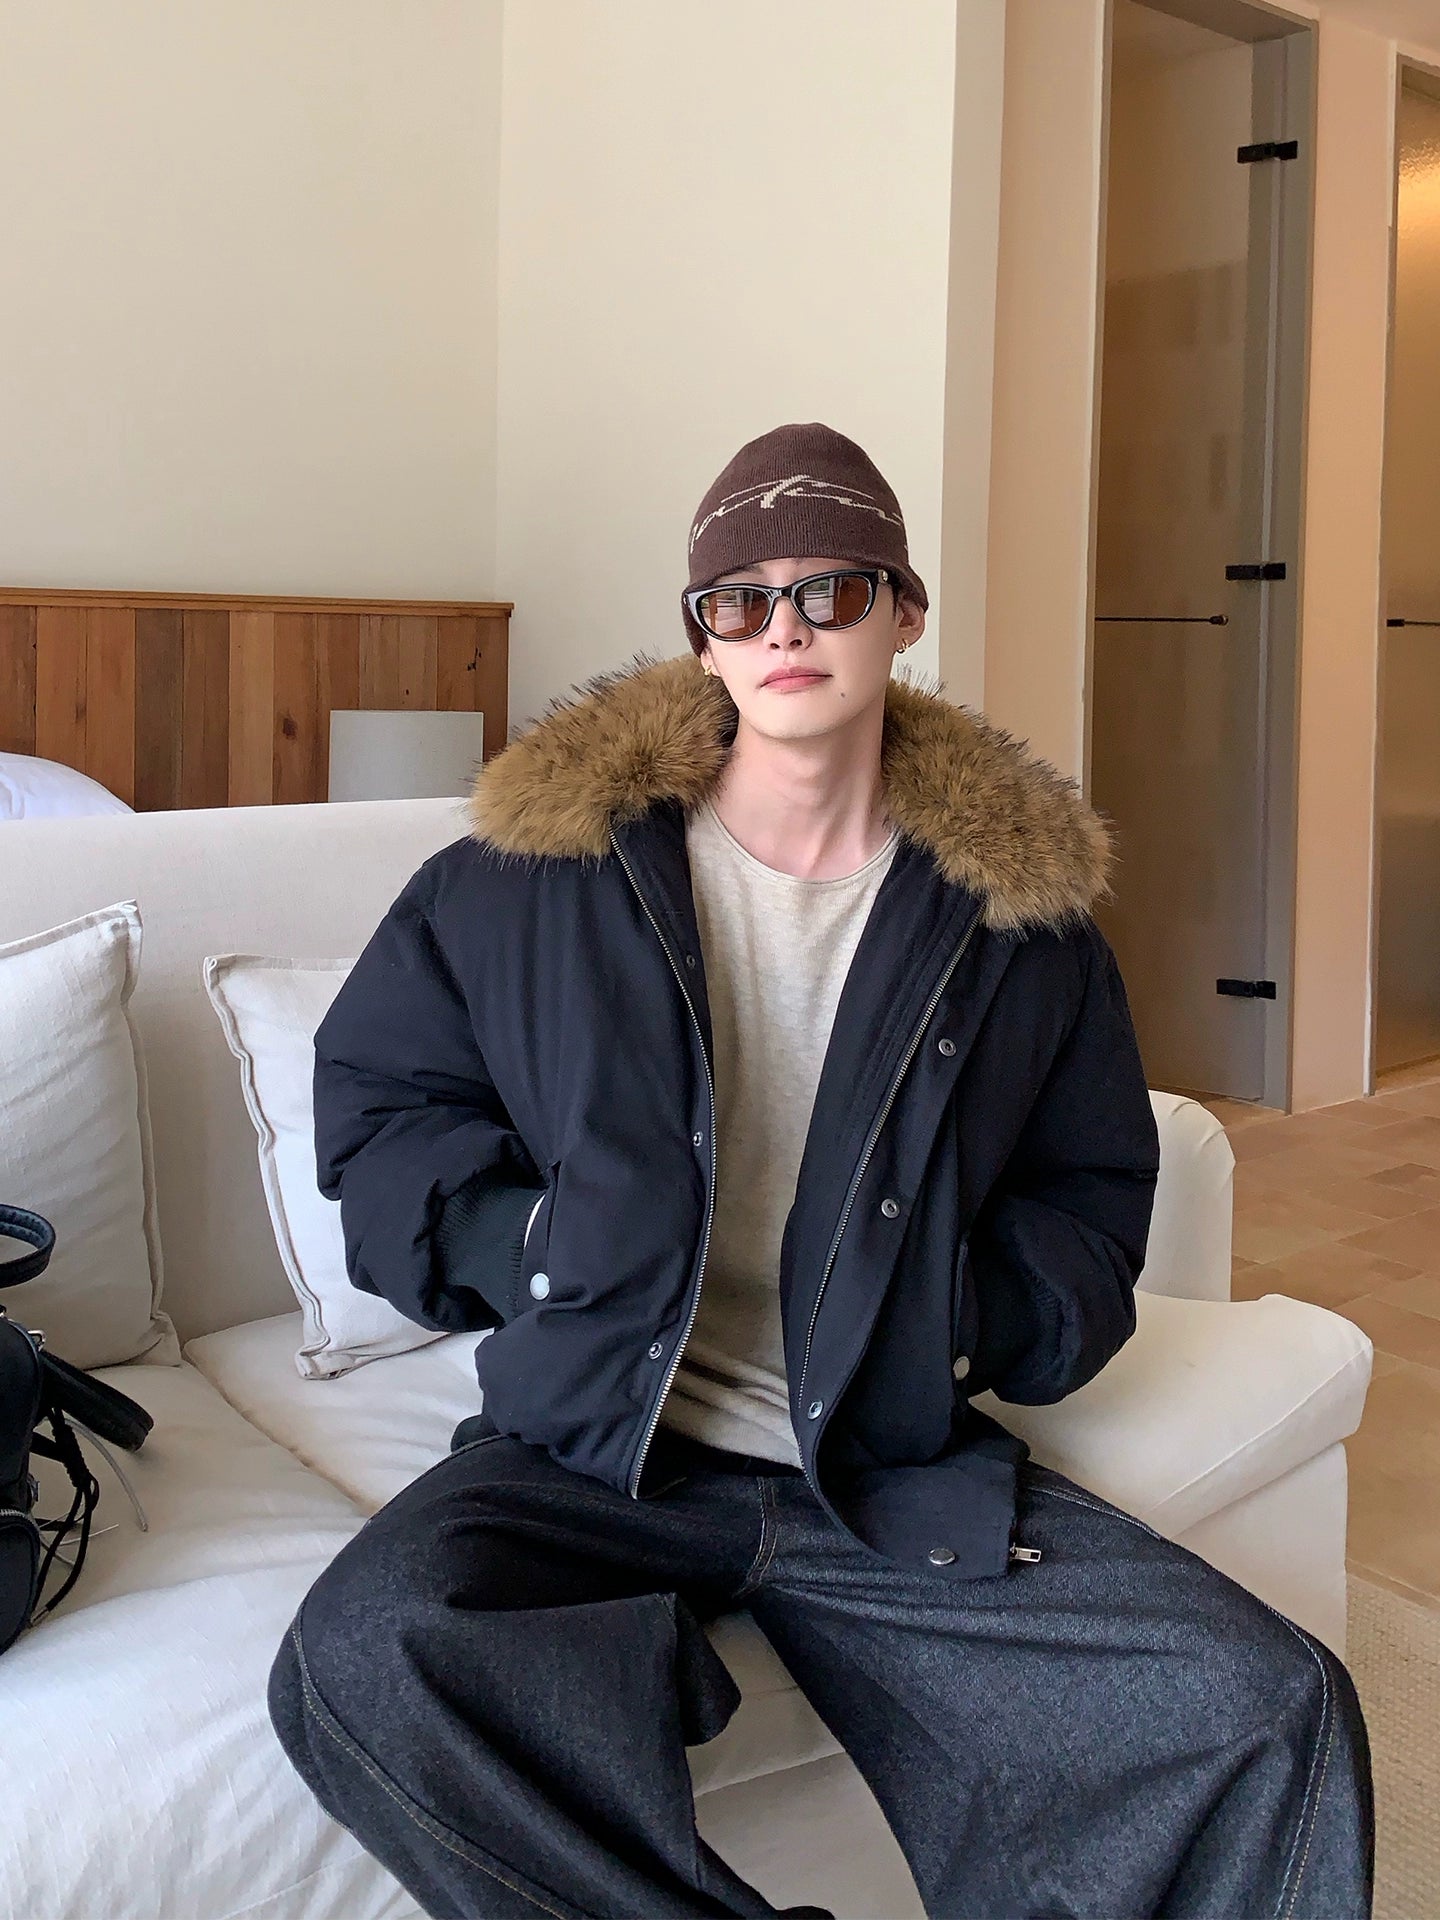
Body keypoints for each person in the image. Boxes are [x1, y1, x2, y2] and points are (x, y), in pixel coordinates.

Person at [267, 422, 1374, 1919]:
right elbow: (385, 1106)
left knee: (1267, 1707)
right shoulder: (529, 882)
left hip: (884, 1466)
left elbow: (1096, 1197)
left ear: (903, 612)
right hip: (596, 1451)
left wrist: (960, 1321)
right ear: (703, 640)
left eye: (828, 589)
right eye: (739, 600)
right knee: (364, 1656)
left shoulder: (1019, 929)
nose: (782, 628)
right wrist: (531, 1246)